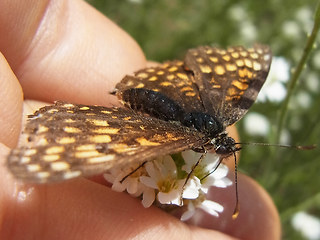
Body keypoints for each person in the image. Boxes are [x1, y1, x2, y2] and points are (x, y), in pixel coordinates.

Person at [0, 1, 281, 239]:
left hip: (169, 90)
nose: (221, 153)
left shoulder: (221, 116)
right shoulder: (214, 127)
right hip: (167, 102)